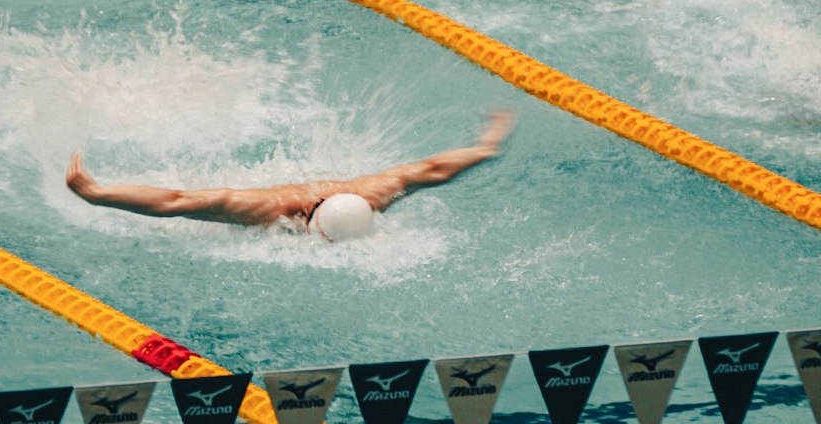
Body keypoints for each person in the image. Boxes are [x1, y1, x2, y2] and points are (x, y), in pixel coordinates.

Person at [66, 111, 514, 242]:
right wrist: (97, 194)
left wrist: (486, 147)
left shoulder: (370, 196)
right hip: (270, 202)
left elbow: (432, 169)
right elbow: (176, 200)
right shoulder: (264, 211)